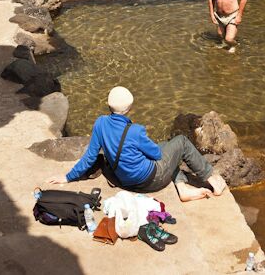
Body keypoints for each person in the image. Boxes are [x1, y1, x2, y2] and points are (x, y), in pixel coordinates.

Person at [45, 86, 227, 202]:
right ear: (130, 109)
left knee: (167, 146)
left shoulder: (100, 123)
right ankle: (212, 180)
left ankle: (182, 188)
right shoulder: (136, 131)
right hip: (150, 181)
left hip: (125, 181)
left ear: (108, 105)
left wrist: (67, 177)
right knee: (181, 143)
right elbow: (156, 154)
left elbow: (90, 157)